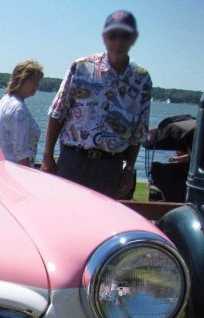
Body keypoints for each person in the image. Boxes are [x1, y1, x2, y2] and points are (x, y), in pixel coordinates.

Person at [41, 10, 152, 199]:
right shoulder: (82, 67)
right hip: (73, 161)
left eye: (124, 35)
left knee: (103, 226)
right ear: (105, 36)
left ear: (132, 38)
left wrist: (129, 169)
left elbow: (138, 132)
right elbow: (57, 112)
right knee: (64, 218)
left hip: (111, 167)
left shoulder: (141, 79)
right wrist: (47, 155)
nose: (118, 41)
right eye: (113, 35)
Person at [0, 60, 44, 166]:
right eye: (34, 81)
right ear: (22, 79)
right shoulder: (18, 109)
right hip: (16, 169)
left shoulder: (4, 100)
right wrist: (26, 176)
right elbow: (21, 152)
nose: (37, 86)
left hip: (4, 165)